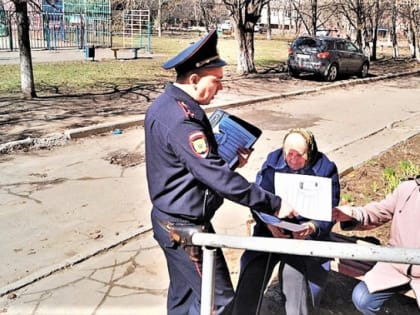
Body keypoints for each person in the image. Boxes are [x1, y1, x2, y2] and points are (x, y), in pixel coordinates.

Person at [144, 30, 287, 315]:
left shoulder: (169, 105)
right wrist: (275, 204)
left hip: (173, 220)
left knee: (184, 298)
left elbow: (190, 168)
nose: (221, 88)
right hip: (184, 229)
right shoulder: (182, 120)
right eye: (217, 81)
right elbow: (215, 176)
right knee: (219, 302)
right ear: (195, 79)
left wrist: (231, 161)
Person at [231, 128, 340, 315]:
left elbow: (328, 211)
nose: (293, 159)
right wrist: (269, 223)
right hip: (272, 228)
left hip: (304, 235)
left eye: (299, 155)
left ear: (310, 152)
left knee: (295, 276)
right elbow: (258, 200)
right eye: (288, 153)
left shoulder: (325, 169)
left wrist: (312, 227)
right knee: (253, 270)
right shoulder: (272, 163)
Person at [332, 176, 420, 314]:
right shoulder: (408, 188)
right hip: (396, 262)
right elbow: (380, 211)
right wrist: (352, 214)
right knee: (362, 298)